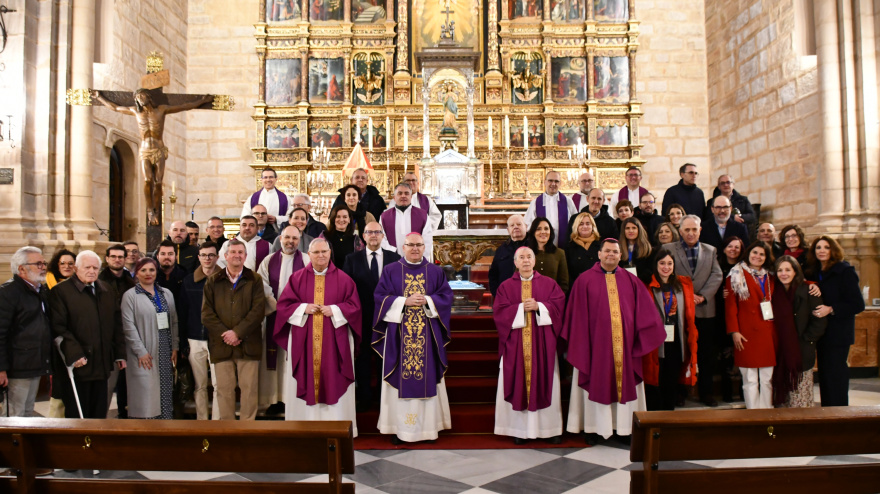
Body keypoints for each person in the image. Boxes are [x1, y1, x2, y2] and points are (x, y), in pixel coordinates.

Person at [563, 239, 666, 445]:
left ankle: (624, 428)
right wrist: (582, 342)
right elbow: (577, 317)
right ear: (599, 254)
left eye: (615, 252)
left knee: (624, 383)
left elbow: (646, 313)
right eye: (607, 251)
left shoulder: (631, 280)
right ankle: (593, 428)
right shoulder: (584, 280)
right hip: (594, 348)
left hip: (625, 348)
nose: (611, 254)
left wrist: (640, 336)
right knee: (594, 381)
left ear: (621, 255)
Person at [373, 233, 453, 443]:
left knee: (427, 375)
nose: (415, 248)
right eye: (411, 245)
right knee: (399, 376)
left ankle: (428, 429)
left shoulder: (435, 271)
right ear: (403, 246)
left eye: (419, 245)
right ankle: (400, 429)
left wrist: (427, 300)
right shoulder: (391, 270)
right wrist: (403, 302)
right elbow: (380, 297)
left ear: (424, 246)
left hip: (428, 335)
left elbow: (446, 297)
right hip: (398, 337)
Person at [273, 238, 361, 429]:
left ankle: (337, 426)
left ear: (330, 253)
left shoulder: (345, 279)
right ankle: (303, 427)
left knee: (334, 375)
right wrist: (303, 308)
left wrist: (336, 310)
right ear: (309, 255)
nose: (321, 256)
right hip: (304, 343)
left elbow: (354, 308)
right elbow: (284, 306)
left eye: (324, 252)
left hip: (334, 343)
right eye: (316, 252)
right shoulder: (296, 279)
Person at [492, 247, 566, 444]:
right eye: (521, 258)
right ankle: (519, 430)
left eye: (529, 257)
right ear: (515, 263)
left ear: (534, 261)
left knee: (546, 380)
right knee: (517, 382)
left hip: (543, 345)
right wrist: (519, 309)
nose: (525, 261)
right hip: (515, 346)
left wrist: (540, 307)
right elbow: (499, 313)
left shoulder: (550, 284)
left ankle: (550, 430)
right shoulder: (505, 287)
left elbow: (559, 307)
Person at [49, 250, 126, 418]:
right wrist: (75, 353)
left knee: (98, 413)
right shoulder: (61, 292)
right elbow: (58, 327)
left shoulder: (106, 290)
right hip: (79, 364)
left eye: (95, 267)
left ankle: (95, 442)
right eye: (87, 267)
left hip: (102, 362)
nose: (92, 271)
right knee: (78, 414)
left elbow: (116, 324)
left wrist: (120, 354)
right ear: (76, 269)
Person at [202, 239, 267, 420]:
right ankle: (227, 431)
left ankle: (247, 431)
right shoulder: (213, 281)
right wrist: (227, 334)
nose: (237, 255)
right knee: (224, 391)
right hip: (221, 345)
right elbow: (207, 314)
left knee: (249, 391)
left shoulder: (255, 279)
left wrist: (237, 332)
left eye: (240, 252)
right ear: (225, 256)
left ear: (245, 256)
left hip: (248, 344)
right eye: (233, 252)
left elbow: (258, 311)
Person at [663, 215, 723, 407]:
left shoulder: (711, 250)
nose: (690, 233)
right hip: (679, 309)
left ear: (700, 230)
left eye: (694, 230)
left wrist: (703, 296)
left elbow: (717, 274)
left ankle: (706, 393)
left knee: (706, 354)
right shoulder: (669, 249)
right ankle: (679, 393)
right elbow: (666, 274)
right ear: (680, 231)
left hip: (705, 309)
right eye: (686, 230)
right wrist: (687, 297)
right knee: (681, 353)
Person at [341, 222, 400, 411]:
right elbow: (347, 290)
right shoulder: (352, 259)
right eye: (369, 232)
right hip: (363, 317)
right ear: (363, 237)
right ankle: (365, 397)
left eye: (377, 232)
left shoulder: (395, 258)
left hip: (388, 318)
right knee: (363, 358)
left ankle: (386, 398)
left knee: (387, 358)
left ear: (383, 236)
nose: (373, 235)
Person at [805, 235, 865, 406]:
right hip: (821, 332)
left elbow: (857, 304)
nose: (822, 251)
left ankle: (839, 412)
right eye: (818, 247)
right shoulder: (814, 272)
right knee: (824, 375)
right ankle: (827, 412)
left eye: (826, 247)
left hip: (838, 333)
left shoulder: (844, 271)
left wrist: (831, 309)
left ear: (833, 250)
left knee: (836, 375)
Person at [257, 225, 310, 415]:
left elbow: (311, 286)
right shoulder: (269, 261)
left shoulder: (306, 260)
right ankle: (275, 400)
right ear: (280, 239)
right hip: (274, 315)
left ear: (300, 240)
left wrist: (293, 310)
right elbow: (261, 284)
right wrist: (277, 306)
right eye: (287, 238)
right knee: (275, 359)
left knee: (292, 358)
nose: (290, 242)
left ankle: (292, 399)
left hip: (298, 318)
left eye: (295, 239)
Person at [121, 258, 179, 419]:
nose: (148, 274)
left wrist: (175, 346)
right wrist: (140, 351)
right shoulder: (130, 296)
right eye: (143, 270)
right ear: (136, 273)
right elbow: (128, 326)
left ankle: (164, 429)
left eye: (151, 270)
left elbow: (173, 321)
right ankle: (145, 432)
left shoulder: (166, 293)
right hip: (144, 351)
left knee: (165, 391)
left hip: (165, 349)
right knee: (145, 394)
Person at [642, 248, 698, 411]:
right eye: (662, 263)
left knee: (672, 378)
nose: (666, 267)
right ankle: (655, 416)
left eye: (669, 263)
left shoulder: (682, 284)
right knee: (655, 379)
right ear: (656, 265)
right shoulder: (648, 285)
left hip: (677, 339)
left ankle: (669, 413)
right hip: (655, 341)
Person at [724, 241, 777, 409]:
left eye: (762, 254)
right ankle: (753, 413)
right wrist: (734, 331)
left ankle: (766, 412)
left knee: (767, 379)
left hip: (768, 332)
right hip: (745, 333)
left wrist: (812, 285)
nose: (758, 256)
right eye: (755, 252)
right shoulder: (735, 274)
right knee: (750, 379)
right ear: (748, 253)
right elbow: (731, 307)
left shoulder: (772, 276)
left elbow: (794, 282)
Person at [0, 247, 51, 418]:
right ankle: (8, 445)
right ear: (22, 268)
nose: (43, 267)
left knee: (28, 412)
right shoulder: (8, 293)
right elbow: (0, 333)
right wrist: (1, 369)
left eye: (44, 263)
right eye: (38, 264)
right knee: (14, 414)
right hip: (17, 366)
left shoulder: (40, 289)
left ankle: (24, 445)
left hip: (34, 363)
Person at [773, 256, 826, 408]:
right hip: (780, 351)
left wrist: (807, 339)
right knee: (783, 400)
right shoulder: (775, 293)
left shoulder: (809, 290)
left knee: (800, 399)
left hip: (801, 350)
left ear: (796, 272)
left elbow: (819, 321)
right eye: (780, 270)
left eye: (788, 270)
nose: (784, 274)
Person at [180, 241, 222, 420]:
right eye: (204, 255)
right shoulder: (189, 280)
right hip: (195, 338)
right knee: (200, 385)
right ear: (198, 257)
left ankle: (218, 422)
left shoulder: (225, 279)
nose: (207, 259)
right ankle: (202, 421)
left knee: (219, 385)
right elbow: (183, 311)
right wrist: (183, 342)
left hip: (217, 339)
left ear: (217, 257)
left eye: (211, 255)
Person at [99, 244, 135, 418]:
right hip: (107, 337)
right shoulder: (99, 281)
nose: (117, 259)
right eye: (113, 256)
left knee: (126, 384)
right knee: (107, 384)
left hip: (128, 335)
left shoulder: (131, 280)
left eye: (120, 257)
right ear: (107, 259)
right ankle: (100, 421)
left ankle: (124, 416)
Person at [716, 236, 745, 402]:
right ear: (724, 248)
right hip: (721, 314)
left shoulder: (744, 267)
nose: (733, 249)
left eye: (737, 247)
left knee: (740, 353)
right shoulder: (718, 265)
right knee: (724, 354)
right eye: (730, 246)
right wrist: (721, 293)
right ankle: (727, 392)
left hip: (741, 314)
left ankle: (741, 391)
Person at [380, 183, 434, 261]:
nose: (403, 196)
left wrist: (420, 258)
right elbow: (381, 238)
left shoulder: (422, 215)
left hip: (416, 260)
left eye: (406, 193)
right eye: (400, 193)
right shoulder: (384, 216)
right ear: (394, 197)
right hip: (392, 259)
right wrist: (393, 253)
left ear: (411, 197)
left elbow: (427, 239)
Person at [524, 171, 578, 248]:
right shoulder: (536, 202)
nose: (553, 184)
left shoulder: (568, 201)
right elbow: (528, 224)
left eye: (556, 181)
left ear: (560, 183)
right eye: (550, 181)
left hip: (565, 246)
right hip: (541, 247)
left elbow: (576, 222)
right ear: (545, 182)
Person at [488, 215, 529, 296]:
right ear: (508, 230)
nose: (516, 227)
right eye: (512, 225)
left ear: (526, 227)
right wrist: (497, 294)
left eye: (519, 224)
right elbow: (493, 274)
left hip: (529, 296)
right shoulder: (501, 249)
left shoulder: (534, 247)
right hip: (506, 296)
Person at [526, 218, 569, 293]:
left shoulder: (560, 253)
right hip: (529, 301)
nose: (543, 232)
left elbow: (564, 284)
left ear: (550, 232)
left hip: (552, 301)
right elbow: (518, 279)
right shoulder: (525, 253)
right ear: (533, 232)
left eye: (546, 229)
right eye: (538, 229)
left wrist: (554, 300)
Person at [565, 213, 601, 284]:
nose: (585, 226)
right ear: (576, 227)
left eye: (588, 224)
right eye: (581, 224)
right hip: (576, 285)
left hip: (597, 285)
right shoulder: (569, 247)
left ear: (593, 226)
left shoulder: (601, 246)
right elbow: (566, 273)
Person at [618, 217, 653, 284]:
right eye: (627, 228)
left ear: (639, 230)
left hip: (641, 283)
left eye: (634, 228)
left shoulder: (647, 248)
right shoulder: (618, 248)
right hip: (622, 283)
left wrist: (636, 280)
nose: (631, 231)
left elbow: (649, 271)